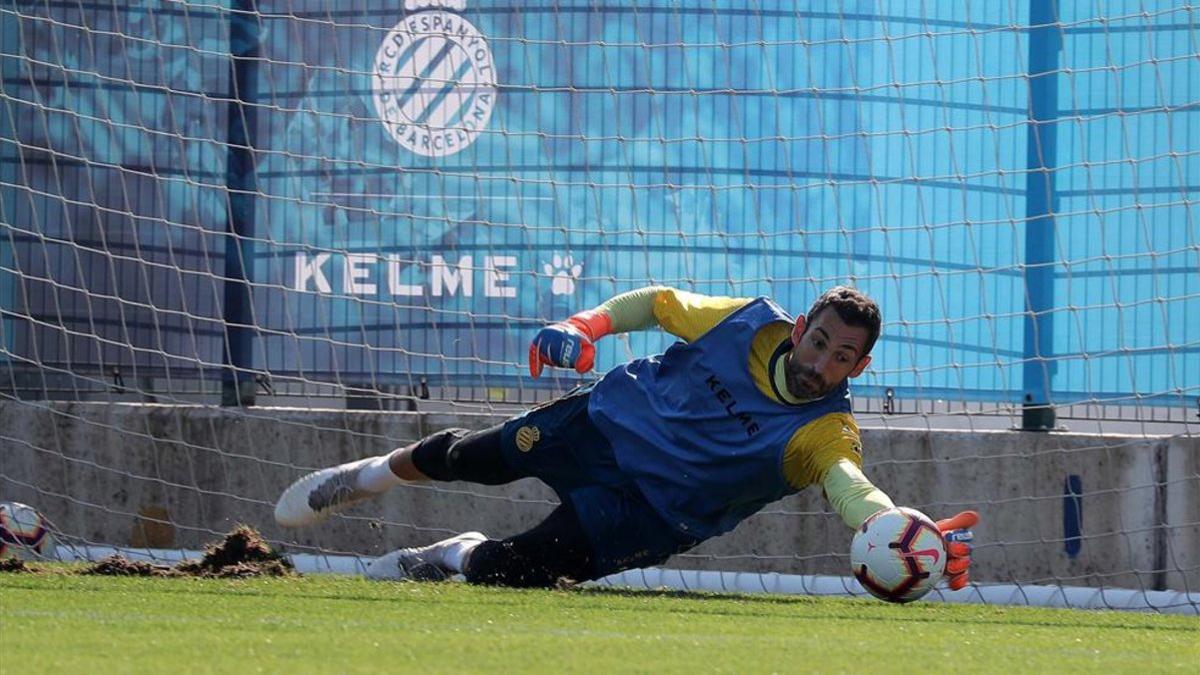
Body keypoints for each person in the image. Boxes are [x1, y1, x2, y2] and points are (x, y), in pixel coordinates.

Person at [274, 286, 979, 589]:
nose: (821, 362)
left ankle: (453, 552)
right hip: (604, 426)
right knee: (471, 457)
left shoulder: (827, 433)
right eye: (818, 341)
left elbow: (852, 491)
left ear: (860, 366)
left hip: (648, 513)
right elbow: (656, 304)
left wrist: (900, 528)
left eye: (840, 357)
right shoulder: (746, 321)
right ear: (800, 329)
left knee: (511, 573)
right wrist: (585, 326)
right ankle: (363, 479)